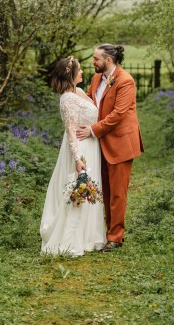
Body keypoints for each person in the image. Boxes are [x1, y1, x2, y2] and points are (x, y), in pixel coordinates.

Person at [76, 44, 144, 252]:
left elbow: (118, 115)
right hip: (100, 143)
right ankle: (102, 232)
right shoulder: (97, 79)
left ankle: (115, 236)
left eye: (96, 59)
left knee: (117, 192)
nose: (92, 62)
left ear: (108, 60)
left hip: (120, 141)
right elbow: (88, 102)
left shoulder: (125, 81)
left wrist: (92, 130)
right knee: (103, 188)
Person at [40, 56, 106, 255]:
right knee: (79, 189)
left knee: (89, 189)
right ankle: (71, 239)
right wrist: (78, 159)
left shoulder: (77, 92)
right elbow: (70, 131)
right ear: (71, 74)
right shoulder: (67, 99)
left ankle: (89, 235)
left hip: (92, 145)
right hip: (81, 148)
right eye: (80, 70)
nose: (83, 72)